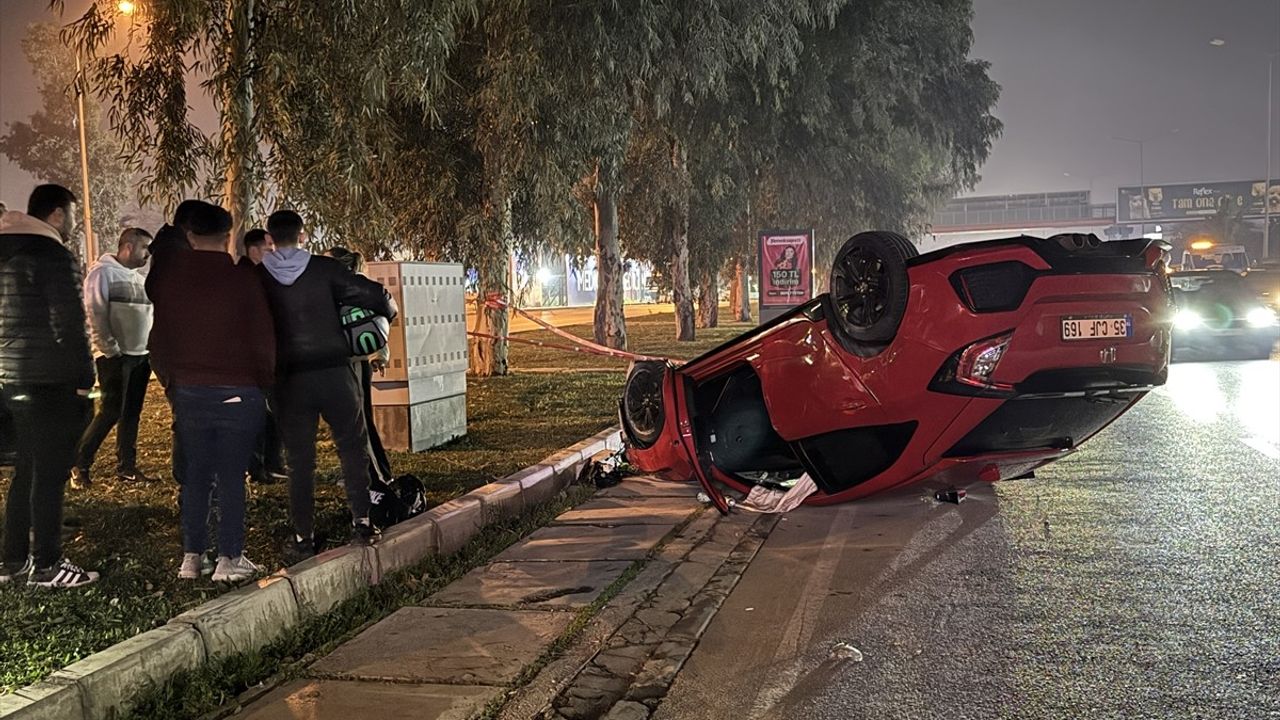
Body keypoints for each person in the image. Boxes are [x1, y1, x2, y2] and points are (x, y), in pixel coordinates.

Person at [147, 201, 275, 582]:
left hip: (188, 389)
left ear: (189, 235)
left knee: (197, 474)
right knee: (232, 475)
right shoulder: (243, 279)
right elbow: (262, 339)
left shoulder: (169, 280)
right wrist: (264, 383)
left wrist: (173, 381)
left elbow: (160, 338)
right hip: (238, 390)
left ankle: (191, 558)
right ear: (229, 235)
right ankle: (230, 558)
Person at [258, 210, 395, 557]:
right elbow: (377, 296)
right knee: (351, 447)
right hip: (335, 374)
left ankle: (304, 537)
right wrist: (385, 316)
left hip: (288, 380)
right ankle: (362, 523)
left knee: (299, 461)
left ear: (270, 239)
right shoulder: (325, 269)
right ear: (303, 235)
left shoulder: (258, 277)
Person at [0, 184, 99, 588]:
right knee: (51, 473)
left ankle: (11, 562)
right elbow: (70, 324)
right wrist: (84, 380)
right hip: (49, 380)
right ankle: (47, 565)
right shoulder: (53, 254)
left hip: (9, 378)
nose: (74, 223)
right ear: (58, 214)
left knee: (26, 469)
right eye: (73, 214)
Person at [71, 228, 155, 488]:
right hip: (115, 357)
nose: (148, 254)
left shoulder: (140, 279)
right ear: (128, 247)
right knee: (110, 412)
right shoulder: (101, 274)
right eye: (145, 248)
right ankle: (79, 465)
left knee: (132, 413)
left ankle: (127, 467)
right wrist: (109, 350)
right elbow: (95, 314)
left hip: (141, 355)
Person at [326, 246, 394, 486]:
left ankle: (379, 476)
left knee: (360, 422)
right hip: (336, 365)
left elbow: (379, 320)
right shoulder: (332, 289)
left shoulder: (357, 288)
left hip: (354, 365)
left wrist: (379, 355)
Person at [148, 199, 201, 488]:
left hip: (172, 345)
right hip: (176, 347)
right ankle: (189, 481)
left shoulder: (169, 250)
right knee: (188, 415)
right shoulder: (174, 253)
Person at [241, 227, 287, 484]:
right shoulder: (248, 276)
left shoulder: (260, 276)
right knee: (263, 414)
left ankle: (271, 463)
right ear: (254, 249)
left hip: (267, 355)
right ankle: (258, 467)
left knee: (274, 413)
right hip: (255, 358)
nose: (273, 254)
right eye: (269, 250)